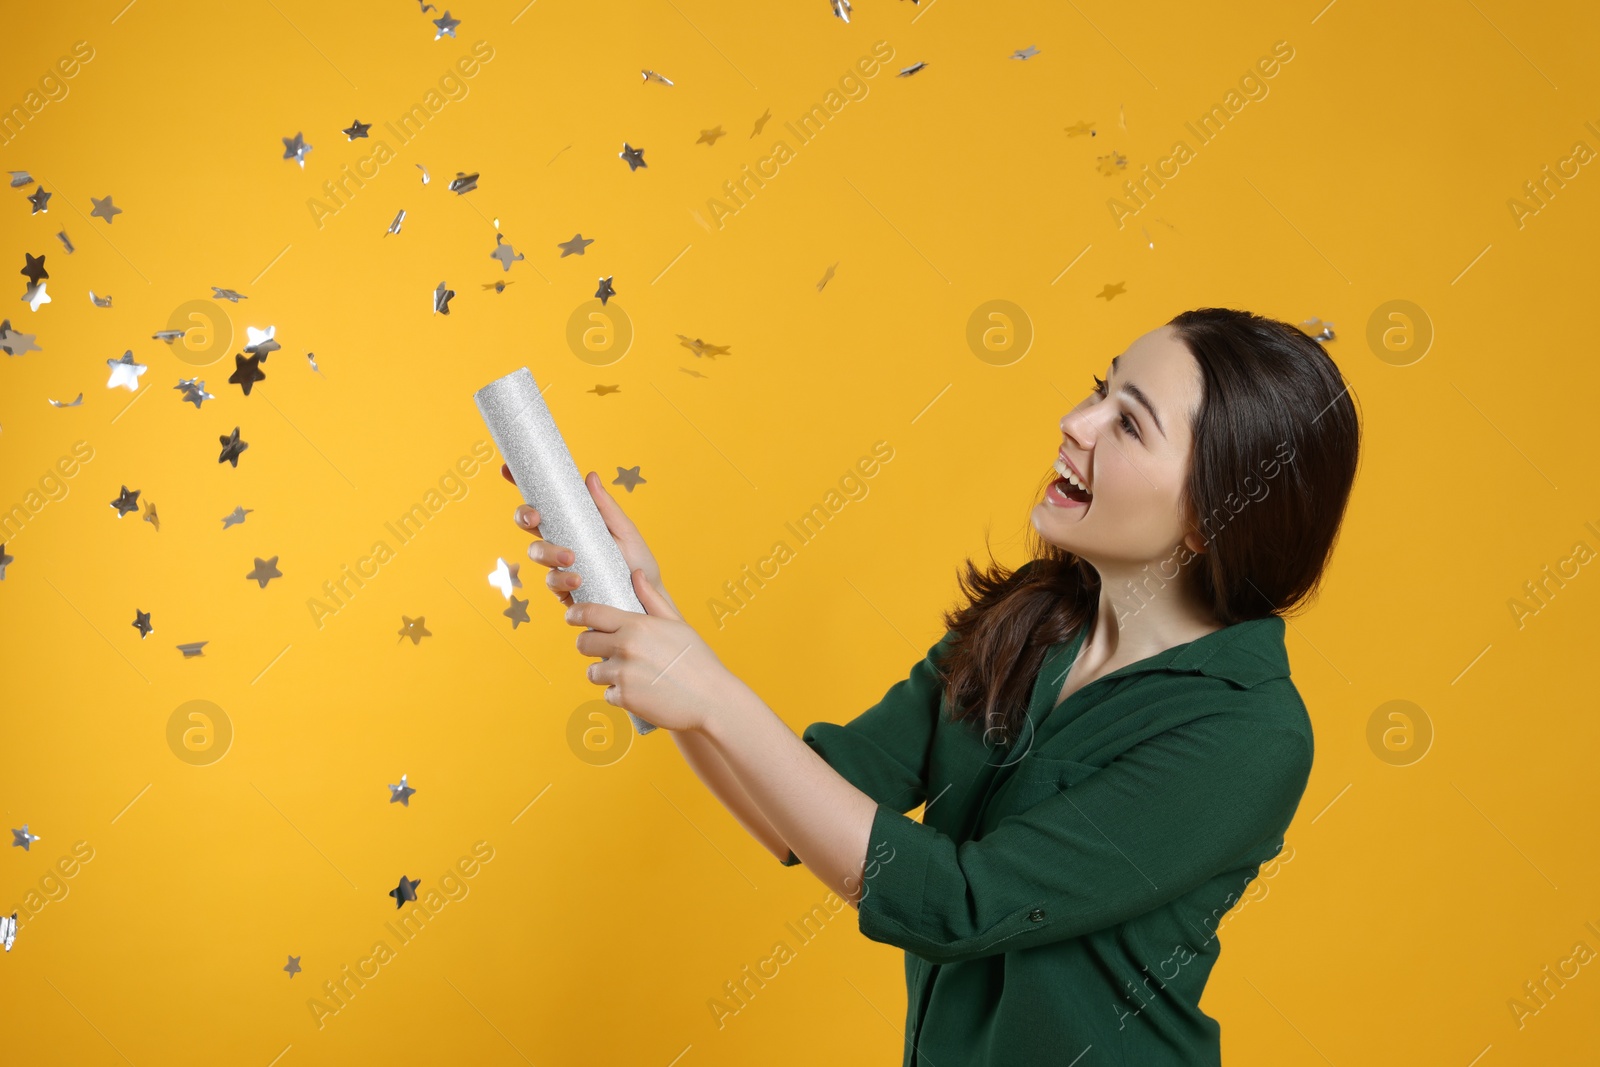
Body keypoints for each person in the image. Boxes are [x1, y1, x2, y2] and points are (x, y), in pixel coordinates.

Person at [504, 307, 1361, 1066]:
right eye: (1101, 388)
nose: (1075, 422)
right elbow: (797, 812)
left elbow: (960, 905)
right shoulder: (1027, 617)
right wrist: (643, 609)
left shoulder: (1249, 735)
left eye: (1128, 425)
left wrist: (711, 692)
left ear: (1217, 513)